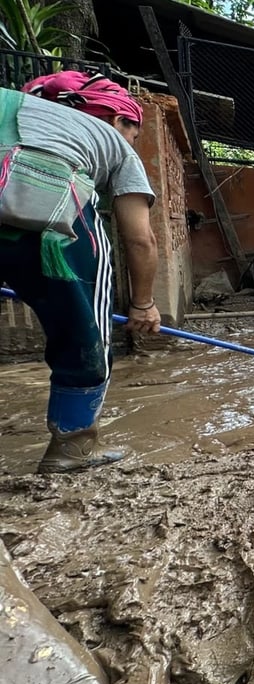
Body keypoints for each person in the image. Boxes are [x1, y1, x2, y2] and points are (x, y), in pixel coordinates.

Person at [0, 71, 161, 472]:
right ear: (120, 120)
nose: (132, 143)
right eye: (135, 134)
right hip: (50, 215)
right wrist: (143, 305)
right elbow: (140, 239)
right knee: (85, 332)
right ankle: (71, 450)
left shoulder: (10, 104)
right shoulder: (114, 144)